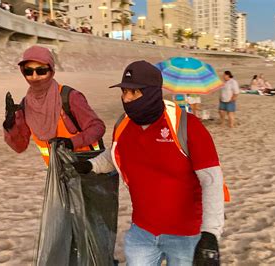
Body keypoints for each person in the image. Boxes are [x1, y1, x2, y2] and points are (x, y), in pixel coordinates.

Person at [72, 61, 225, 265]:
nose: (126, 99)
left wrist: (210, 234)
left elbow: (212, 181)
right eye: (124, 92)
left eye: (134, 93)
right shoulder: (123, 125)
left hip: (186, 236)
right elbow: (116, 154)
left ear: (153, 93)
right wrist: (91, 166)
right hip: (141, 233)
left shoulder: (188, 126)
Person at [2, 45, 106, 166]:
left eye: (41, 71)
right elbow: (19, 147)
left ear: (51, 70)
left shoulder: (69, 97)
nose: (34, 77)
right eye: (28, 71)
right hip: (57, 174)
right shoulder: (26, 105)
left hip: (87, 169)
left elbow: (98, 127)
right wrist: (10, 126)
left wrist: (71, 143)